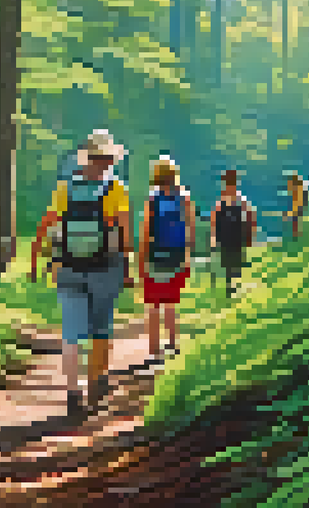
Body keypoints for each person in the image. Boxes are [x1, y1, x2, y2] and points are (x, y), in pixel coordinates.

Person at [32, 130, 134, 417]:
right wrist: (127, 266)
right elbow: (124, 231)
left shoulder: (65, 188)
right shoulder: (116, 189)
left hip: (68, 267)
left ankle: (72, 392)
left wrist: (42, 259)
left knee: (71, 333)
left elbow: (50, 223)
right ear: (111, 159)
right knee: (101, 329)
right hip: (105, 266)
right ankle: (95, 385)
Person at [139, 156, 195, 358]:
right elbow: (190, 230)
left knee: (153, 304)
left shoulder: (152, 199)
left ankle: (154, 349)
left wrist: (141, 260)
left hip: (155, 256)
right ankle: (172, 344)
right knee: (171, 302)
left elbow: (145, 232)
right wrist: (188, 256)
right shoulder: (184, 197)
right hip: (177, 256)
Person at [209, 169, 257, 297]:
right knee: (232, 261)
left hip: (229, 234)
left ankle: (231, 283)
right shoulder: (239, 198)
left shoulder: (225, 199)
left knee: (230, 261)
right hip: (234, 234)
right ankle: (231, 284)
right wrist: (251, 233)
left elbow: (214, 218)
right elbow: (250, 216)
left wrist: (213, 235)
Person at [283, 173, 309, 239]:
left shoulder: (298, 188)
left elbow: (299, 199)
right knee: (294, 220)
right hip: (296, 205)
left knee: (295, 220)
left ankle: (295, 234)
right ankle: (294, 234)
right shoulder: (298, 188)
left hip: (297, 206)